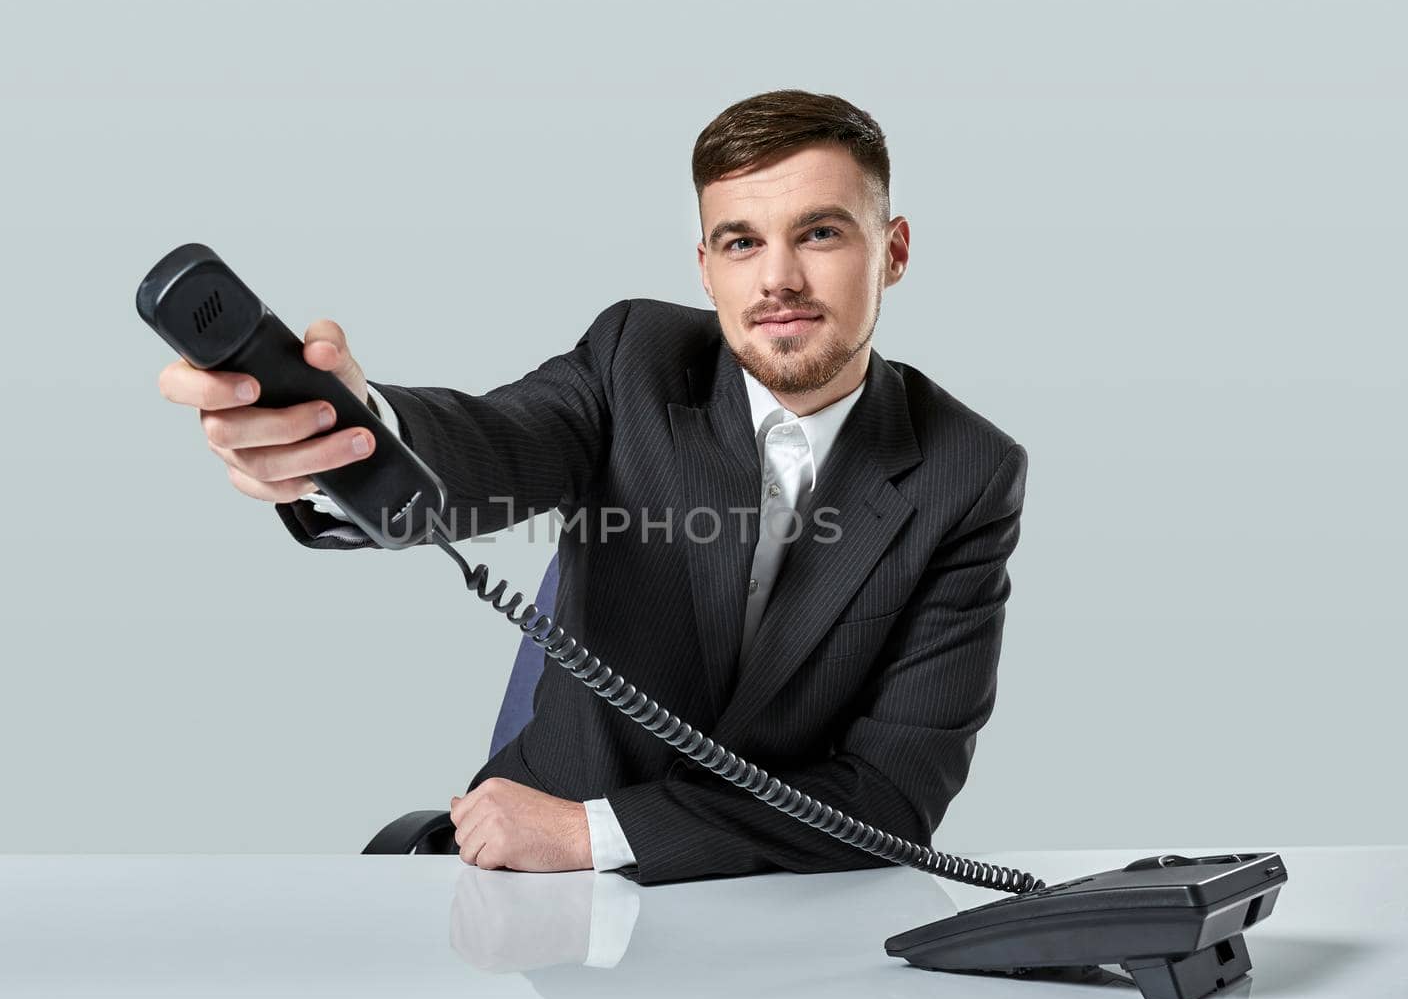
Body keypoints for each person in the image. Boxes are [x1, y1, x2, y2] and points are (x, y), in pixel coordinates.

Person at [156, 89, 1028, 885]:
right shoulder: (636, 359)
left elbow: (892, 799)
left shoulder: (969, 472)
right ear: (704, 265)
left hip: (767, 915)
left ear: (896, 250)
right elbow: (494, 445)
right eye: (741, 242)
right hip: (524, 891)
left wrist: (596, 832)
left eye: (821, 233)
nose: (777, 281)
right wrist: (353, 435)